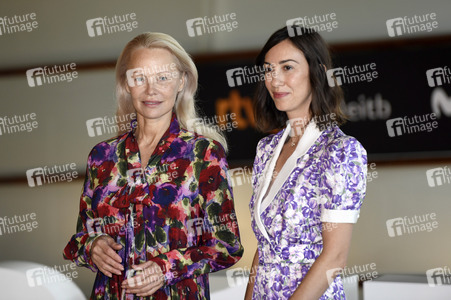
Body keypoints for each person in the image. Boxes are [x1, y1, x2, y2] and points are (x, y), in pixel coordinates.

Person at [63, 32, 243, 299]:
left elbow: (227, 246)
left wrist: (165, 268)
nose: (151, 90)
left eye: (163, 77)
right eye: (140, 78)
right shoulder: (102, 156)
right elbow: (80, 238)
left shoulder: (203, 153)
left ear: (181, 81)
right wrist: (91, 246)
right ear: (127, 83)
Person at [245, 26, 367, 300]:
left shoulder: (340, 151)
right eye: (268, 70)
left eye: (287, 67)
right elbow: (263, 246)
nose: (275, 80)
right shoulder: (266, 149)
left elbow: (335, 257)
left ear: (317, 72)